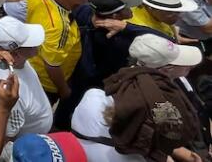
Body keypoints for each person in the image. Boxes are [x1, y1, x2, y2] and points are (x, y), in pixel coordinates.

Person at [71, 36, 202, 162]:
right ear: (166, 70)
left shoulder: (93, 96)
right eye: (183, 64)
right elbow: (170, 133)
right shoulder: (157, 107)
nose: (189, 67)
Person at [25, 0, 96, 129]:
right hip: (47, 83)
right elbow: (52, 66)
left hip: (33, 62)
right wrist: (63, 90)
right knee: (38, 114)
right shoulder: (59, 28)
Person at [0, 16, 52, 140]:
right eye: (32, 44)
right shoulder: (10, 92)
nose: (38, 45)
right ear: (15, 54)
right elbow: (6, 135)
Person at [128, 0, 198, 39]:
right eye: (170, 12)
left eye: (178, 11)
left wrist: (175, 34)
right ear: (150, 8)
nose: (177, 17)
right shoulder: (144, 33)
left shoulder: (157, 14)